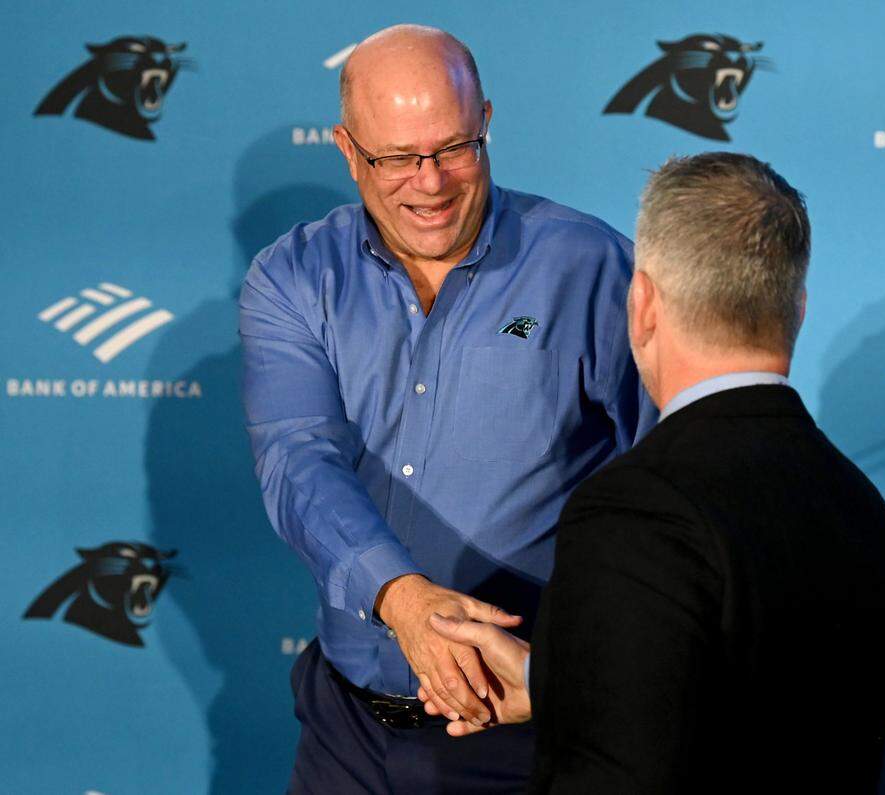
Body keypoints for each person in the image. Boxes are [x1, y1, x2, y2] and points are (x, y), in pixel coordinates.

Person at [238, 24, 654, 793]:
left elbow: (664, 479)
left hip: (521, 734)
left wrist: (597, 666)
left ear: (487, 121)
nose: (429, 183)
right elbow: (298, 459)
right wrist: (401, 599)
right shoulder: (293, 277)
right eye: (396, 157)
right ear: (346, 148)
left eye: (455, 148)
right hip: (346, 729)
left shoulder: (588, 266)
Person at [427, 152, 885, 792]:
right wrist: (554, 681)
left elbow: (618, 770)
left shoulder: (635, 510)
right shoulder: (863, 511)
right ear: (798, 309)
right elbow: (749, 709)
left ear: (644, 304)